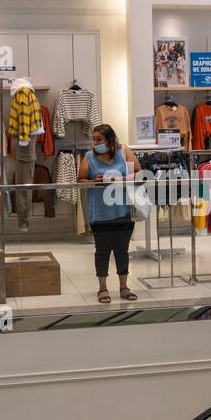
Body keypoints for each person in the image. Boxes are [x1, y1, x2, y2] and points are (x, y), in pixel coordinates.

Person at [78, 123, 138, 304]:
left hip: (123, 210)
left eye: (99, 139)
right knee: (102, 251)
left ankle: (124, 287)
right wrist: (92, 181)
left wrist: (118, 179)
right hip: (99, 212)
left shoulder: (124, 151)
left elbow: (139, 173)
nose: (95, 143)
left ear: (110, 140)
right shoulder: (89, 156)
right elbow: (81, 180)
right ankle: (102, 288)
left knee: (122, 250)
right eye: (93, 139)